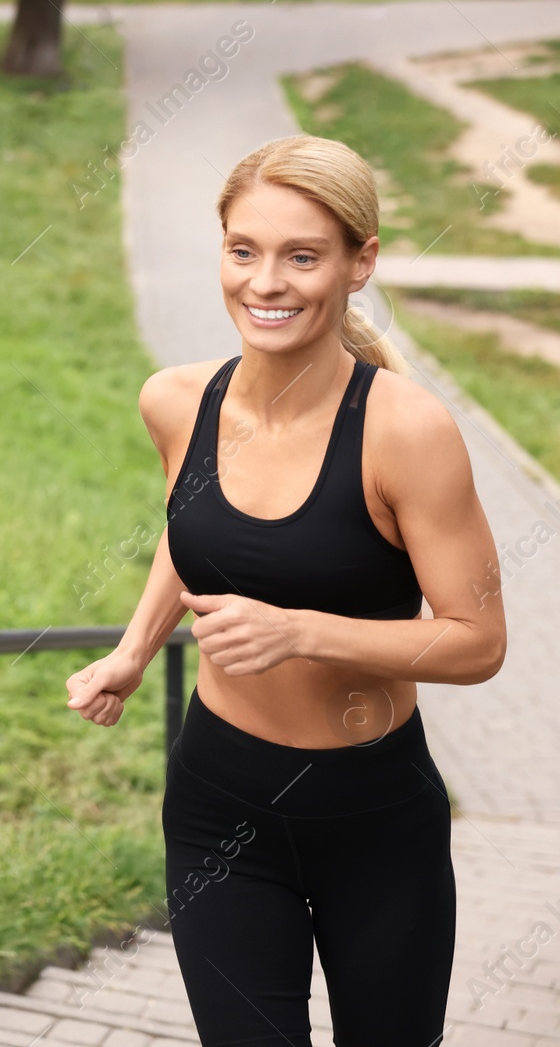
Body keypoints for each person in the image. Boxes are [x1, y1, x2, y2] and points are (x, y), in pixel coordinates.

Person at [65, 135, 506, 1045]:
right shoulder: (176, 400)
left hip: (376, 821)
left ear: (360, 263)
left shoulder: (407, 431)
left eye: (302, 256)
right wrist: (134, 650)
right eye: (244, 250)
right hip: (217, 805)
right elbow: (191, 536)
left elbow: (477, 640)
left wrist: (305, 631)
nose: (266, 282)